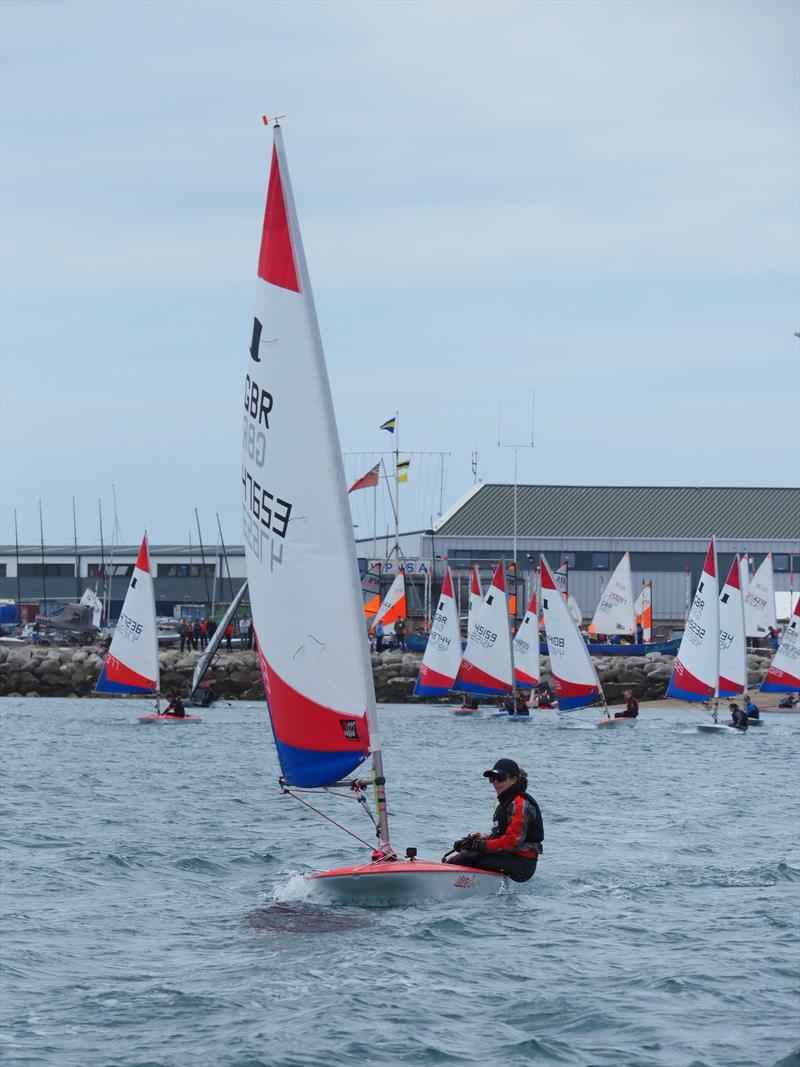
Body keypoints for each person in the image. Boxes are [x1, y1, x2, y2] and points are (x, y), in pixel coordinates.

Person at [444, 759, 543, 882]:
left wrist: (481, 846)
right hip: (508, 857)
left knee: (465, 858)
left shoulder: (521, 804)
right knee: (465, 853)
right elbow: (498, 837)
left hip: (522, 864)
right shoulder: (507, 802)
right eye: (492, 779)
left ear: (514, 779)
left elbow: (512, 841)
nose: (495, 782)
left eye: (500, 778)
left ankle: (445, 880)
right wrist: (473, 842)